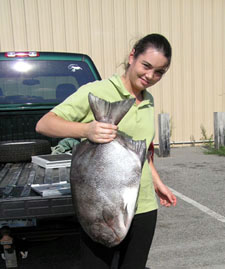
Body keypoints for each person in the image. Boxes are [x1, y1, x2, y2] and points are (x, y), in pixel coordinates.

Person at [36, 33, 177, 269]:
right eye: (146, 66)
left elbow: (140, 151)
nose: (150, 76)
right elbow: (44, 124)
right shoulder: (98, 90)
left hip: (142, 206)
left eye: (159, 72)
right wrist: (85, 129)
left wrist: (157, 182)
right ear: (132, 56)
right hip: (100, 208)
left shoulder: (148, 99)